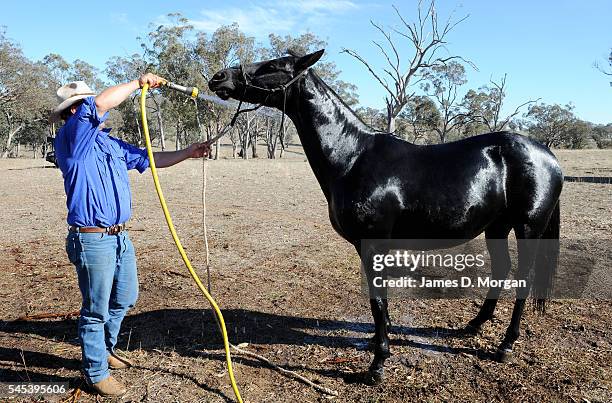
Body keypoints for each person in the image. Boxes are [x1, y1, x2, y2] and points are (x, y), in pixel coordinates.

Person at [51, 74, 210, 397]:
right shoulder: (70, 139)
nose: (88, 110)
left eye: (86, 104)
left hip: (119, 237)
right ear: (71, 113)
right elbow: (100, 103)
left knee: (125, 297)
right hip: (92, 239)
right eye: (80, 106)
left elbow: (149, 159)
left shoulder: (109, 143)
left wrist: (188, 152)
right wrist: (139, 83)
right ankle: (95, 371)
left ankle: (105, 348)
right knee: (95, 308)